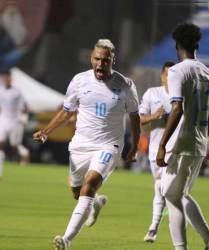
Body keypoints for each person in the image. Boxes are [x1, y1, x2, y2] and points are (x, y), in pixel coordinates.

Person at [33, 39, 140, 250]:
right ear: (91, 59)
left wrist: (134, 147)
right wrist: (46, 132)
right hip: (80, 145)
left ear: (113, 60)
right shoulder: (79, 81)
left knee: (90, 182)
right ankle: (96, 202)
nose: (100, 64)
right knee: (77, 191)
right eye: (97, 59)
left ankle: (66, 240)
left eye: (105, 60)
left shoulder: (125, 85)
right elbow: (67, 111)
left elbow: (135, 117)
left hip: (109, 146)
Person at [156, 23, 209, 250]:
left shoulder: (177, 71)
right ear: (196, 45)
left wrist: (162, 144)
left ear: (177, 46)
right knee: (180, 194)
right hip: (199, 142)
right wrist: (203, 138)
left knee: (170, 196)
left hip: (181, 142)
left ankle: (183, 247)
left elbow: (177, 108)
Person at [140, 61, 183, 242]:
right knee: (162, 189)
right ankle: (175, 213)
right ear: (162, 76)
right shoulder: (152, 93)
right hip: (154, 151)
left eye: (173, 76)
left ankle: (153, 228)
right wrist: (154, 116)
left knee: (160, 189)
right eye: (167, 75)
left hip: (174, 150)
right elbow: (140, 120)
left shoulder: (182, 98)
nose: (169, 79)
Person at [0, 70, 29, 179]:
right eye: (4, 77)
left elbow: (24, 107)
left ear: (11, 78)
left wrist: (24, 116)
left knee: (14, 145)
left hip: (14, 122)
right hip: (2, 121)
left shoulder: (17, 92)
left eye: (8, 77)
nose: (6, 79)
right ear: (2, 79)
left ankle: (24, 153)